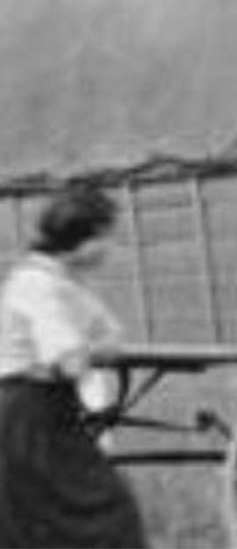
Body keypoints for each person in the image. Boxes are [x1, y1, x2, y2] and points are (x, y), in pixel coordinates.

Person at [0, 184, 146, 548]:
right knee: (104, 510)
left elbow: (108, 333)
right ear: (80, 240)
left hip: (47, 407)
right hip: (26, 413)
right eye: (104, 237)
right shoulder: (37, 284)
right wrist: (90, 354)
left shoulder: (64, 281)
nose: (110, 247)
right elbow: (70, 359)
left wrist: (95, 347)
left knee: (56, 519)